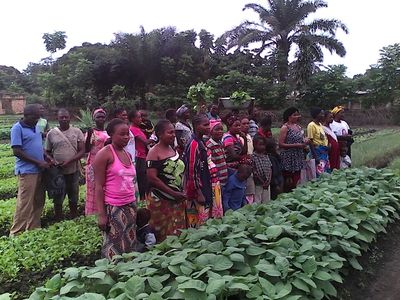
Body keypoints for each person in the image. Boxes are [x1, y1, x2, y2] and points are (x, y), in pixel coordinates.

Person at [94, 118, 137, 260]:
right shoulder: (105, 154)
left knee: (129, 244)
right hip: (114, 208)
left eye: (127, 134)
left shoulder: (128, 154)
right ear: (111, 135)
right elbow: (98, 186)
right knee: (114, 247)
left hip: (130, 205)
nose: (126, 137)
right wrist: (101, 215)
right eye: (122, 134)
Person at [10, 104, 50, 235]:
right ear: (26, 116)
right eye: (35, 118)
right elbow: (17, 151)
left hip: (39, 170)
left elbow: (39, 147)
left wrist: (47, 158)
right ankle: (16, 232)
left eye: (38, 118)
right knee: (25, 204)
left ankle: (33, 229)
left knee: (39, 201)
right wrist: (38, 162)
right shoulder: (17, 128)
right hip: (27, 171)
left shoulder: (36, 127)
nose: (37, 120)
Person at [146, 120, 187, 242]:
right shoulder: (154, 152)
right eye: (170, 132)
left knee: (176, 232)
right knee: (161, 233)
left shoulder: (172, 149)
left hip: (177, 199)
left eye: (174, 132)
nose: (174, 135)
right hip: (160, 199)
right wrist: (172, 193)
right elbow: (152, 178)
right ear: (159, 134)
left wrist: (181, 191)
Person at [46, 109, 85, 219]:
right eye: (61, 117)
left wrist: (69, 161)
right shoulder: (51, 133)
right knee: (58, 197)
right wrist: (52, 160)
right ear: (57, 118)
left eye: (66, 117)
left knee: (73, 195)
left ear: (70, 118)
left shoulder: (77, 131)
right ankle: (59, 218)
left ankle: (73, 217)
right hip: (57, 172)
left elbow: (82, 150)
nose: (64, 119)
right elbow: (47, 151)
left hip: (73, 170)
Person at [184, 114, 216, 227]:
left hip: (204, 183)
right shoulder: (194, 144)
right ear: (197, 126)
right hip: (198, 189)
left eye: (209, 124)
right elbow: (192, 171)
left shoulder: (201, 141)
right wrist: (199, 193)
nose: (209, 127)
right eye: (205, 125)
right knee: (198, 220)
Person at [84, 108, 109, 215]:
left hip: (107, 164)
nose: (100, 119)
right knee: (93, 190)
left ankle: (105, 211)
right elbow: (86, 149)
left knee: (105, 188)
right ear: (94, 118)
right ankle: (92, 214)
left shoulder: (108, 132)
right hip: (94, 165)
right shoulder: (91, 132)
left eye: (102, 117)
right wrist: (89, 135)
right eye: (98, 117)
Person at [279, 107, 307, 192]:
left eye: (297, 114)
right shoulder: (285, 128)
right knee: (288, 181)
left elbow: (302, 139)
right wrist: (295, 145)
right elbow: (281, 144)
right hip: (289, 158)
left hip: (298, 157)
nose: (297, 116)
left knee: (297, 179)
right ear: (289, 116)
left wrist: (305, 142)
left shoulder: (298, 127)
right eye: (294, 115)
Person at [129, 110, 153, 200]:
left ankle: (144, 198)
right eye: (138, 117)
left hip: (143, 155)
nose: (141, 119)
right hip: (139, 157)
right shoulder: (133, 129)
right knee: (142, 179)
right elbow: (145, 142)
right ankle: (142, 199)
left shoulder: (139, 128)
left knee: (145, 179)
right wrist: (154, 137)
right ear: (132, 119)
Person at [307, 108, 330, 176]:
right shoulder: (311, 125)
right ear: (317, 115)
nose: (323, 115)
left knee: (325, 172)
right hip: (317, 152)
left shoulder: (320, 125)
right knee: (319, 172)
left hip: (324, 152)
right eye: (322, 114)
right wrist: (315, 156)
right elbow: (310, 141)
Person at [206, 120, 228, 187]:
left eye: (221, 129)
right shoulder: (209, 145)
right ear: (211, 132)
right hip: (216, 181)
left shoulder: (220, 143)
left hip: (224, 179)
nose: (220, 131)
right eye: (217, 129)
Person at [252, 135, 272, 203]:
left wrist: (268, 181)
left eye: (263, 145)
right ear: (254, 145)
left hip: (267, 182)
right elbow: (254, 171)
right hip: (258, 183)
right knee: (258, 199)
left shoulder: (266, 156)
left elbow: (270, 169)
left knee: (266, 200)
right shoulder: (253, 157)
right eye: (260, 145)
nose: (262, 147)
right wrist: (262, 181)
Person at [240, 116, 255, 204]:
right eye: (244, 124)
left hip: (250, 165)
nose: (246, 125)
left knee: (250, 191)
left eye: (248, 123)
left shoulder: (249, 136)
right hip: (243, 167)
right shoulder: (239, 137)